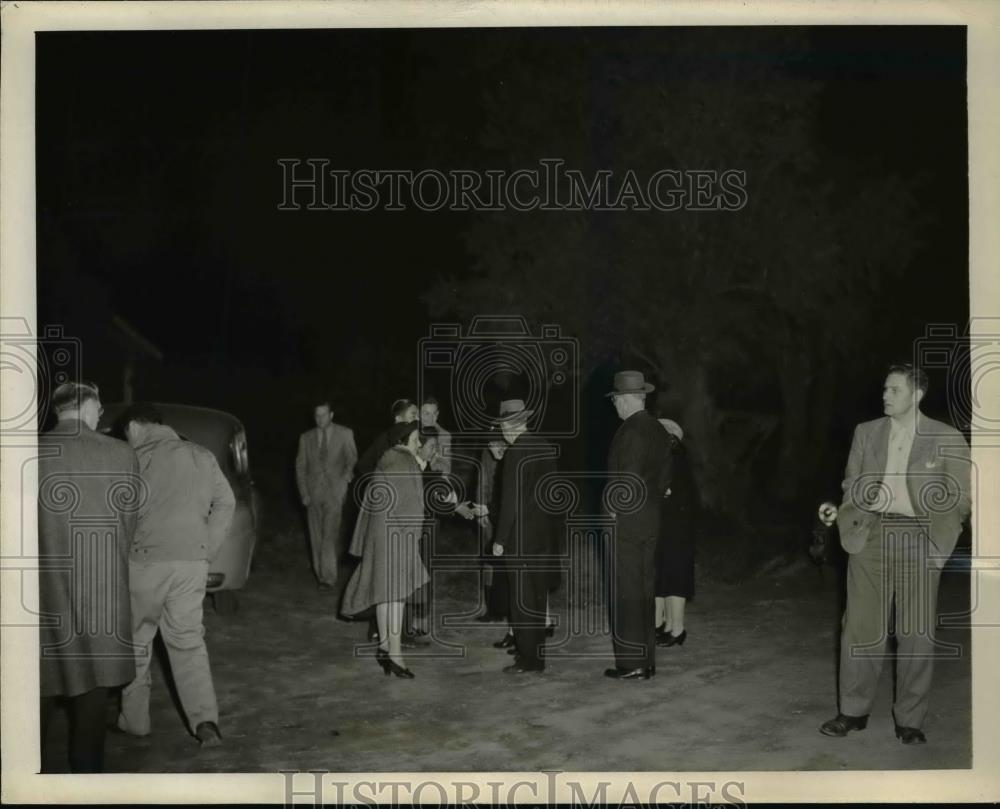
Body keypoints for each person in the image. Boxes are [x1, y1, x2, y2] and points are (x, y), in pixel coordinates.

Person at [818, 363, 971, 745]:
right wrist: (861, 501)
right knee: (859, 628)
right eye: (885, 389)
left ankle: (910, 720)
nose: (885, 395)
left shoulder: (946, 437)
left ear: (916, 394)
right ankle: (852, 712)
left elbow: (962, 496)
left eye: (894, 390)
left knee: (915, 632)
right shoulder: (867, 432)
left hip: (920, 539)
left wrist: (940, 540)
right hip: (870, 537)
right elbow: (851, 481)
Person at [115, 402, 235, 747]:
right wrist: (206, 548)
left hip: (144, 564)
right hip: (191, 565)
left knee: (136, 641)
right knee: (188, 642)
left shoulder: (132, 457)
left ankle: (135, 720)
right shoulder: (201, 454)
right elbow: (226, 502)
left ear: (135, 427)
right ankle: (206, 722)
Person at [38, 382, 139, 772]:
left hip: (39, 600)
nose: (102, 416)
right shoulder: (120, 454)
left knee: (32, 707)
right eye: (99, 408)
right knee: (91, 712)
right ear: (85, 406)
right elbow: (127, 528)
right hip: (100, 595)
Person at [341, 421, 429, 678]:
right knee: (397, 598)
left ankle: (383, 647)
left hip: (378, 538)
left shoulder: (385, 461)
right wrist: (414, 537)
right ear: (405, 439)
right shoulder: (406, 463)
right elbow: (413, 509)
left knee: (384, 595)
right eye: (416, 438)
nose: (419, 443)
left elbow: (369, 506)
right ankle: (396, 657)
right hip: (397, 538)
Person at [603, 371, 672, 681]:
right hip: (651, 516)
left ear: (630, 399)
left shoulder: (629, 431)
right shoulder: (658, 429)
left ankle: (631, 664)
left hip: (628, 520)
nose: (615, 405)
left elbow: (626, 479)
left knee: (626, 588)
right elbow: (665, 477)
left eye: (617, 399)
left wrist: (614, 511)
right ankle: (647, 660)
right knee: (644, 587)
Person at [492, 399, 559, 675]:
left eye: (502, 427)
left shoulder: (515, 452)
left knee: (521, 601)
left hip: (519, 538)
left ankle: (528, 660)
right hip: (543, 535)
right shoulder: (544, 447)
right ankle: (537, 657)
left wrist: (500, 539)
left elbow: (510, 502)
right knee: (537, 597)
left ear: (508, 426)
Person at [295, 398, 357, 590]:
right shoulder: (306, 438)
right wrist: (304, 492)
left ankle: (327, 579)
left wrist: (346, 477)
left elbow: (352, 457)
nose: (320, 419)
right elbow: (300, 467)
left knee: (329, 534)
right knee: (316, 536)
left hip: (335, 492)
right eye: (317, 415)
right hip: (313, 493)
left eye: (323, 415)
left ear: (331, 415)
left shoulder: (345, 434)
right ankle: (320, 572)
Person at [654, 418, 698, 648]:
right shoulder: (672, 458)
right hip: (670, 526)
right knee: (668, 577)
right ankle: (670, 627)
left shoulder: (675, 458)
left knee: (675, 577)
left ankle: (677, 628)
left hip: (676, 527)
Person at [356, 398, 418, 482]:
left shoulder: (414, 436)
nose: (417, 419)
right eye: (413, 415)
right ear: (398, 418)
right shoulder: (385, 438)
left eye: (418, 416)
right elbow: (363, 465)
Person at [419, 396, 453, 475]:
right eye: (426, 414)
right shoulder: (410, 430)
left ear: (437, 414)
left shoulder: (444, 436)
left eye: (434, 414)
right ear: (418, 414)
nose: (431, 419)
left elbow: (446, 469)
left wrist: (432, 458)